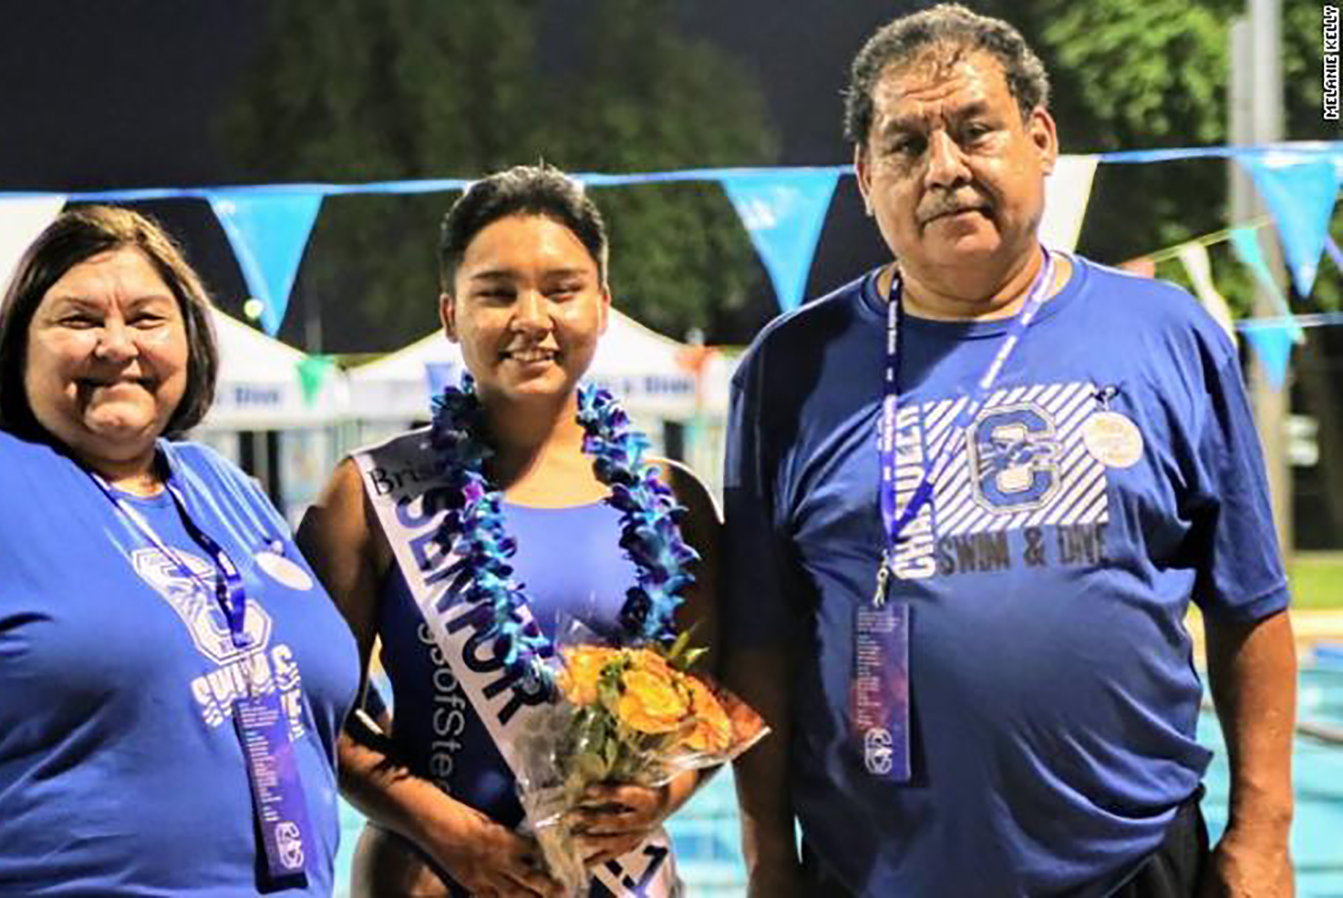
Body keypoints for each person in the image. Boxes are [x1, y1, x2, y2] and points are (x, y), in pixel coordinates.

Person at [724, 5, 1296, 897]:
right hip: (873, 872)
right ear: (866, 180)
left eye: (975, 131)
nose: (945, 168)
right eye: (907, 146)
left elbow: (1250, 604)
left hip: (1131, 865)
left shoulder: (1168, 335)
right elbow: (759, 641)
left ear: (1041, 140)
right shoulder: (790, 370)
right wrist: (766, 859)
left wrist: (1262, 835)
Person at [0, 206, 359, 896]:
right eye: (78, 320)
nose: (117, 345)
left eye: (147, 319)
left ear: (193, 341)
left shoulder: (225, 489)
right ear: (19, 343)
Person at [297, 164, 723, 897]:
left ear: (603, 305)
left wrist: (657, 801)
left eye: (562, 290)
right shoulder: (367, 496)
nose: (533, 319)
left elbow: (710, 704)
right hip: (429, 880)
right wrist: (443, 829)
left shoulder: (670, 499)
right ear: (450, 313)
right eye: (496, 293)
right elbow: (309, 712)